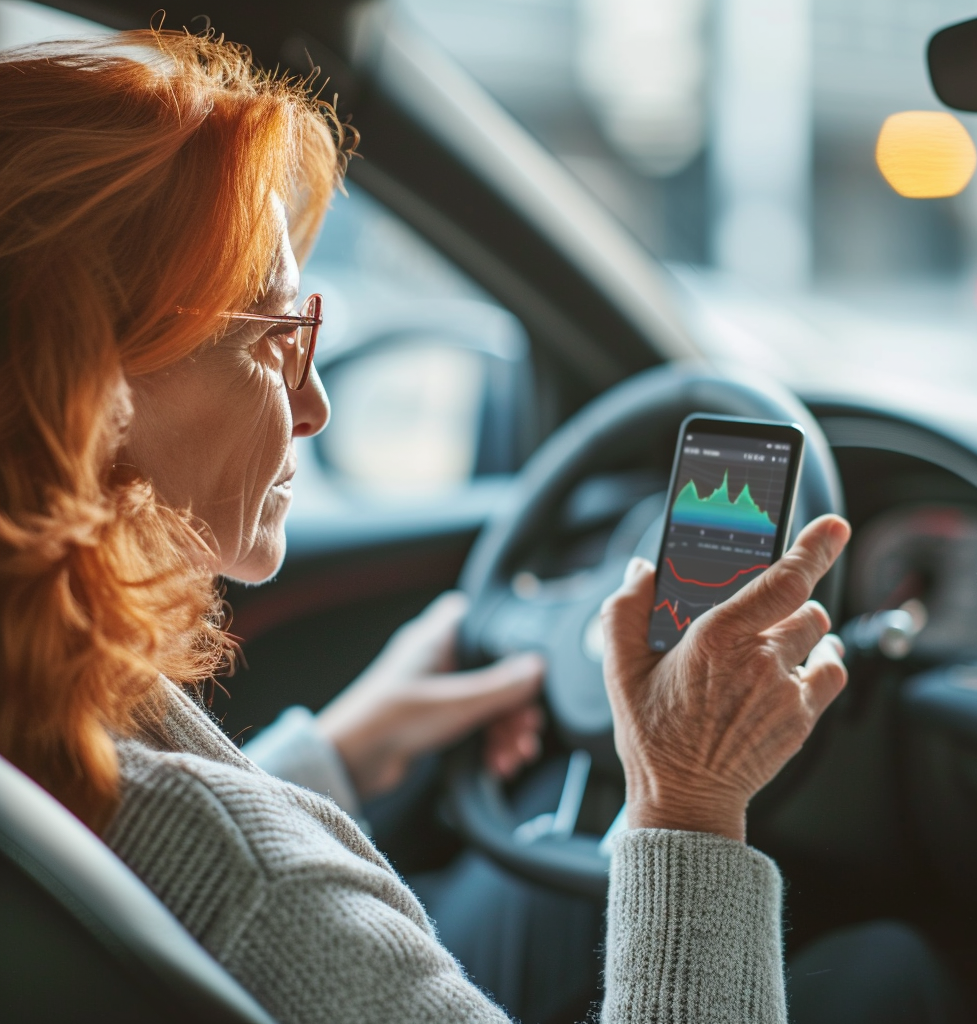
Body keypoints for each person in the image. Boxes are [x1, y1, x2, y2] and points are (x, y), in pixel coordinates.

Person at [0, 27, 870, 1024]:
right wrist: (687, 800)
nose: (316, 403)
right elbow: (232, 880)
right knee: (885, 975)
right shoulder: (262, 892)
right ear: (85, 386)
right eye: (277, 335)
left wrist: (346, 750)